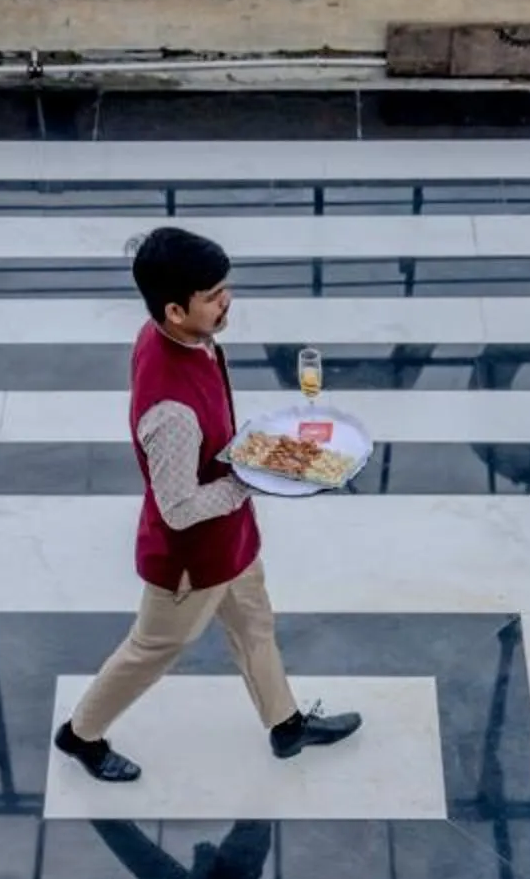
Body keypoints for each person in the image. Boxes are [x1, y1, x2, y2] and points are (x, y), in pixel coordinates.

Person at [52, 225, 360, 785]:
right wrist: (257, 474)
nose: (227, 301)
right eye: (214, 296)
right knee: (152, 648)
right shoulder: (170, 413)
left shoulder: (179, 336)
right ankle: (80, 733)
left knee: (254, 624)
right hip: (191, 561)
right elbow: (177, 508)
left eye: (225, 288)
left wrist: (259, 452)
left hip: (228, 539)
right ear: (174, 310)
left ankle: (285, 723)